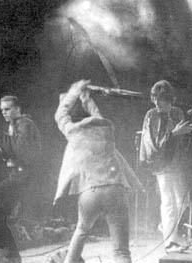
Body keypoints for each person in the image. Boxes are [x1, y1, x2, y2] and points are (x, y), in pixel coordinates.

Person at [50, 80, 143, 263]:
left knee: (81, 231)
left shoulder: (73, 132)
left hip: (90, 192)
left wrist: (73, 92)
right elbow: (96, 113)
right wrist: (86, 98)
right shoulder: (106, 127)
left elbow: (60, 115)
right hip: (115, 190)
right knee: (121, 252)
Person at [0, 95, 42, 263]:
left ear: (18, 108)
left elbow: (19, 150)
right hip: (19, 174)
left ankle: (3, 250)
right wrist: (3, 150)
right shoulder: (15, 125)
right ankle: (12, 255)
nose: (4, 113)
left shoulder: (25, 124)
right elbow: (14, 151)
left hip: (24, 175)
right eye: (2, 110)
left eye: (7, 109)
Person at [139, 80, 192, 253]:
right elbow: (153, 144)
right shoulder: (151, 115)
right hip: (161, 164)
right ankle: (170, 242)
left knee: (183, 201)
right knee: (168, 202)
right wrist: (174, 134)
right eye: (154, 99)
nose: (156, 103)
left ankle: (165, 225)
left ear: (169, 100)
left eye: (159, 100)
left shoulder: (177, 113)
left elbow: (184, 139)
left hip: (177, 163)